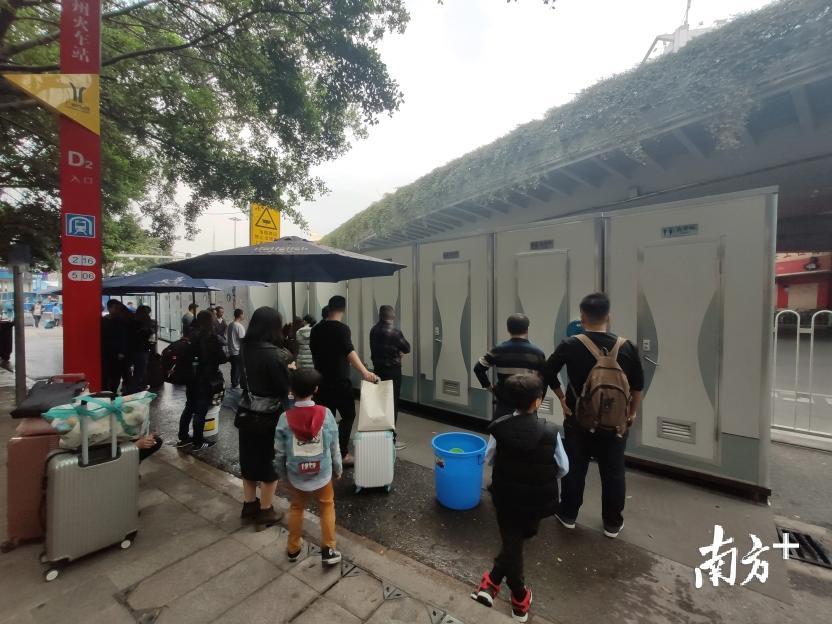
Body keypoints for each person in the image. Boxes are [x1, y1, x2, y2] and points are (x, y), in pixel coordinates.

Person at [544, 292, 644, 538]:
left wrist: (562, 399)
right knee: (613, 472)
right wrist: (631, 413)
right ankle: (612, 524)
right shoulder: (627, 347)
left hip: (578, 419)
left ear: (582, 316)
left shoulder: (570, 344)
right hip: (615, 423)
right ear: (608, 317)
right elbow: (638, 386)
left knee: (576, 467)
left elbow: (547, 372)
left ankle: (568, 515)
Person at [471, 374, 568, 623]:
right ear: (538, 401)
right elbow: (563, 468)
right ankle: (519, 600)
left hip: (506, 498)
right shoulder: (551, 432)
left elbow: (488, 458)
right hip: (536, 502)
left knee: (512, 543)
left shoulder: (499, 427)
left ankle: (493, 584)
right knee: (516, 542)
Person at [275, 368, 343, 566]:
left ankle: (293, 548)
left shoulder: (285, 418)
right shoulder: (326, 414)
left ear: (291, 390)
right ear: (316, 389)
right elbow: (334, 447)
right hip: (322, 472)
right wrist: (338, 469)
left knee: (297, 508)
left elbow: (279, 453)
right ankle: (329, 549)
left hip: (296, 475)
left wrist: (282, 475)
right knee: (327, 506)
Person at [236, 306, 292, 531]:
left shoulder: (244, 348)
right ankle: (266, 510)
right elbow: (283, 387)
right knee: (270, 461)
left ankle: (249, 505)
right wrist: (291, 369)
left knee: (249, 459)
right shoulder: (275, 354)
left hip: (246, 411)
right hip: (269, 415)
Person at [309, 295, 378, 465]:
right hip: (339, 382)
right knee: (348, 415)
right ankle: (342, 453)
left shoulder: (316, 329)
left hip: (320, 382)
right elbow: (349, 351)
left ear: (329, 307)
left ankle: (325, 453)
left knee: (326, 418)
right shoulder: (342, 329)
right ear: (343, 309)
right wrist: (365, 372)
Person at [474, 313, 547, 420]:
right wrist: (538, 401)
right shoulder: (538, 353)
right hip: (528, 404)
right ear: (527, 329)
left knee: (501, 428)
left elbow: (478, 368)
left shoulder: (498, 350)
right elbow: (545, 379)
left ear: (508, 329)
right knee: (528, 429)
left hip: (504, 402)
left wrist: (491, 388)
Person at [177, 310, 227, 452]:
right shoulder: (211, 337)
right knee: (201, 410)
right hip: (206, 379)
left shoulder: (190, 334)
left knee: (189, 407)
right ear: (210, 321)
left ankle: (183, 437)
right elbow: (222, 358)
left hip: (191, 378)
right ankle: (198, 442)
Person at [369, 305, 411, 450]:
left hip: (378, 371)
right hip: (392, 371)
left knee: (381, 404)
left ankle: (380, 436)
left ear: (380, 315)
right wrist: (398, 352)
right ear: (393, 316)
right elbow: (407, 348)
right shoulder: (395, 331)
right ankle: (390, 441)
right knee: (392, 405)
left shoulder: (373, 330)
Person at [101, 300, 133, 394]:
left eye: (118, 308)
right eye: (115, 308)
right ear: (109, 308)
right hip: (107, 352)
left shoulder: (122, 321)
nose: (117, 310)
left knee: (117, 374)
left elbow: (124, 337)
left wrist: (122, 352)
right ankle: (109, 392)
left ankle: (114, 392)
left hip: (118, 353)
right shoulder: (104, 321)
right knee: (110, 374)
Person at [129, 305, 157, 392]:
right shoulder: (145, 323)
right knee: (140, 369)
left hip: (132, 349)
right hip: (142, 349)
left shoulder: (132, 321)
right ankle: (136, 388)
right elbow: (148, 335)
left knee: (135, 370)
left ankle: (133, 386)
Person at [227, 308, 246, 389]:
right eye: (243, 314)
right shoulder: (239, 326)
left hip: (231, 350)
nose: (244, 316)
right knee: (237, 369)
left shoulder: (230, 324)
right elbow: (242, 339)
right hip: (237, 351)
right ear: (240, 315)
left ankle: (234, 383)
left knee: (234, 368)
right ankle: (235, 384)